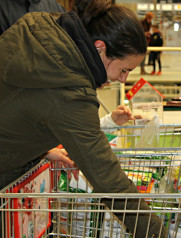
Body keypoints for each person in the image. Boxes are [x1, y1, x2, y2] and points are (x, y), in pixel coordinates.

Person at [0, 0, 167, 237]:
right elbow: (109, 180)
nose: (124, 80)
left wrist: (42, 149)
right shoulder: (70, 92)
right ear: (100, 47)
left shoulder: (40, 27)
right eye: (124, 69)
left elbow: (20, 102)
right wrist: (157, 233)